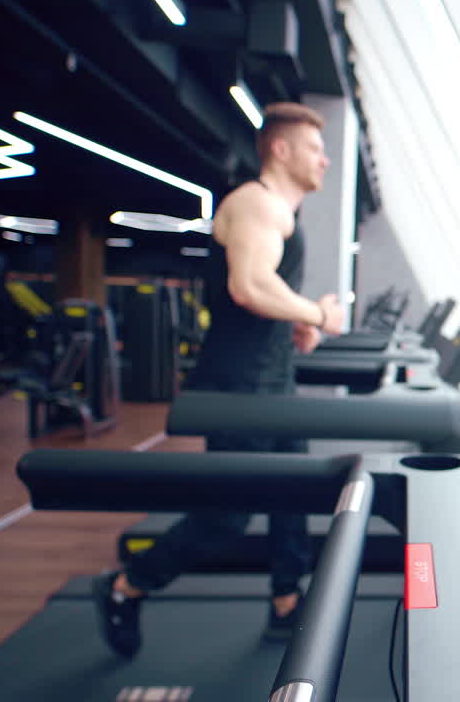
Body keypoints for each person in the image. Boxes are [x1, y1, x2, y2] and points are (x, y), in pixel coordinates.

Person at [93, 101, 345, 657]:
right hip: (240, 387)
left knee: (294, 496)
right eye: (313, 149)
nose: (325, 160)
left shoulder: (280, 211)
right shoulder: (257, 203)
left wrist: (296, 327)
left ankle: (286, 602)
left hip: (271, 379)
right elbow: (249, 286)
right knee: (229, 514)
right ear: (279, 150)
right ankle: (126, 585)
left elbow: (261, 299)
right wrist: (316, 315)